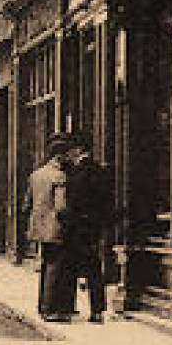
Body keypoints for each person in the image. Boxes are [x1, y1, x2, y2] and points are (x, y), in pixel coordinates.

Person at [62, 130, 115, 323]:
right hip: (93, 227)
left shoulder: (75, 173)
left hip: (77, 227)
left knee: (70, 268)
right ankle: (97, 310)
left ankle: (68, 307)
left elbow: (72, 201)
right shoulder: (99, 170)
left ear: (78, 149)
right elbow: (106, 200)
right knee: (94, 268)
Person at [24, 134, 74, 322]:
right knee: (55, 267)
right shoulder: (59, 176)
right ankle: (51, 310)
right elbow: (61, 206)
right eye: (66, 155)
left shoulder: (36, 174)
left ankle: (42, 306)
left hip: (39, 228)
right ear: (59, 157)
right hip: (55, 228)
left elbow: (27, 203)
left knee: (46, 265)